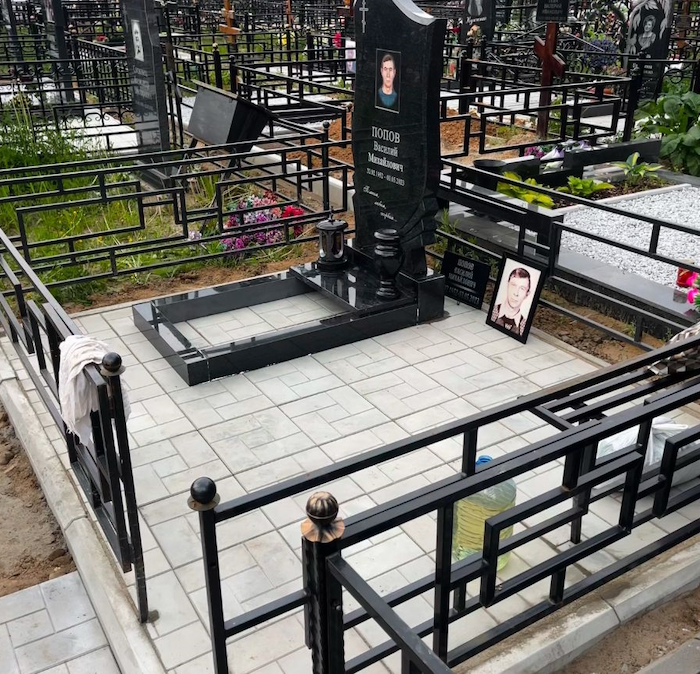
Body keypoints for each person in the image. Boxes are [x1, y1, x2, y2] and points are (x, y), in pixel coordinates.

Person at [491, 267, 532, 336]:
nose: (516, 293)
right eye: (513, 285)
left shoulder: (524, 325)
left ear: (527, 294)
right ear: (507, 285)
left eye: (522, 288)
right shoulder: (492, 311)